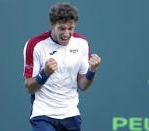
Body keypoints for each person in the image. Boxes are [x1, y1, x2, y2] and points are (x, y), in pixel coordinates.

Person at [23, 3, 101, 131]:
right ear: (53, 25)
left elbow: (82, 85)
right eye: (62, 28)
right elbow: (29, 87)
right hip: (43, 114)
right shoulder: (34, 45)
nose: (67, 33)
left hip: (71, 115)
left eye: (71, 29)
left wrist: (92, 70)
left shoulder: (82, 43)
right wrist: (45, 73)